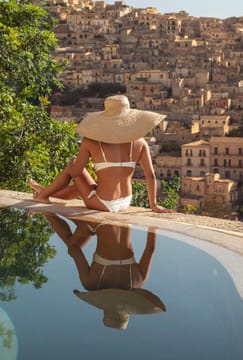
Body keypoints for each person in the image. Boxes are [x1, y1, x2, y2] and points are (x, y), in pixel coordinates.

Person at [30, 95, 174, 213]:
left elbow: (75, 173)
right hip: (125, 201)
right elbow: (150, 175)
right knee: (86, 186)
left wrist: (71, 163)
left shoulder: (91, 141)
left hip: (104, 203)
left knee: (74, 166)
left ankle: (43, 195)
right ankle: (44, 191)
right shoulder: (140, 142)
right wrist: (153, 205)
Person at [38, 212, 166, 330]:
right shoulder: (92, 283)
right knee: (71, 243)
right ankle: (47, 211)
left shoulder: (139, 280)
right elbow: (75, 250)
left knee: (87, 231)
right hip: (98, 221)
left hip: (125, 220)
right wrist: (74, 253)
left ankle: (55, 209)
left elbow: (150, 248)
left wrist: (153, 226)